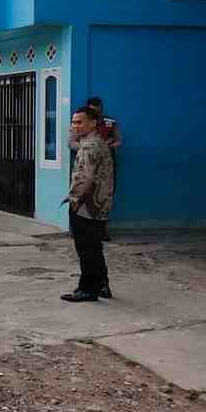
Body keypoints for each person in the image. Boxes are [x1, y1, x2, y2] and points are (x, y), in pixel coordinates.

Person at [62, 106, 115, 303]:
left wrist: (74, 199)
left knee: (86, 249)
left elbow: (85, 177)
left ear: (93, 123)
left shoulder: (89, 146)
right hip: (100, 204)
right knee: (94, 247)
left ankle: (87, 289)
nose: (75, 125)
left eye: (79, 122)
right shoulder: (98, 142)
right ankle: (102, 285)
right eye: (73, 122)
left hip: (88, 206)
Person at [69, 96, 121, 241]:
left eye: (98, 111)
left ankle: (101, 230)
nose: (76, 125)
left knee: (102, 198)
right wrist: (85, 148)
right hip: (87, 166)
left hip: (101, 172)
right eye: (93, 110)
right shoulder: (80, 127)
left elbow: (118, 141)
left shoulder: (109, 123)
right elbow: (71, 142)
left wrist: (74, 200)